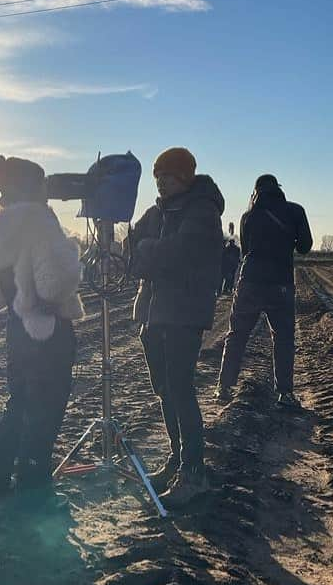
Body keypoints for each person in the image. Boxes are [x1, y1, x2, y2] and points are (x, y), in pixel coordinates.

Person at [0, 154, 84, 502]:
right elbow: (55, 282)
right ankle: (34, 485)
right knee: (46, 409)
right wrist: (73, 253)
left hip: (19, 327)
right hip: (47, 327)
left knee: (20, 404)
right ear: (34, 187)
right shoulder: (38, 219)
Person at [131, 147, 224, 504]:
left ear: (184, 177)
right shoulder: (157, 212)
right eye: (158, 179)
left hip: (184, 313)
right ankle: (176, 457)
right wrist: (150, 252)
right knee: (164, 390)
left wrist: (149, 252)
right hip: (155, 312)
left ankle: (194, 473)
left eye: (167, 177)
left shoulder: (201, 210)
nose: (162, 184)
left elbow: (179, 254)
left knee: (181, 390)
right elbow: (133, 246)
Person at [217, 174, 312, 407]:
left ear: (256, 191)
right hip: (280, 283)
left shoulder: (248, 216)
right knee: (283, 339)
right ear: (279, 188)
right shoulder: (295, 211)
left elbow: (246, 250)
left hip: (250, 281)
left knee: (237, 335)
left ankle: (224, 387)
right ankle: (285, 393)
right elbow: (305, 247)